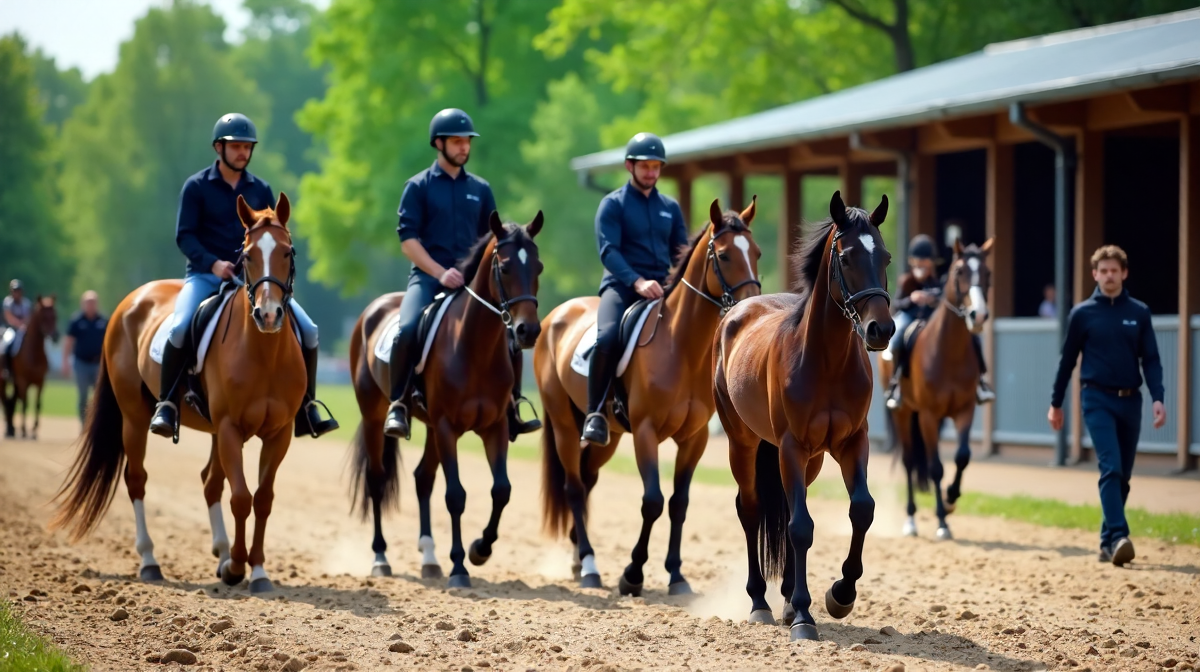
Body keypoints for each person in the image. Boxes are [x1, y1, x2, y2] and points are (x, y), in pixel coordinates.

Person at [149, 113, 338, 440]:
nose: (242, 153)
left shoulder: (260, 188)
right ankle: (167, 404)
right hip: (205, 277)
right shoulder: (196, 187)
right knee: (180, 327)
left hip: (254, 281)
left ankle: (307, 407)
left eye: (247, 147)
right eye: (235, 146)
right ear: (219, 148)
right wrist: (214, 264)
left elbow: (270, 237)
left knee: (309, 329)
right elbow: (185, 237)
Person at [382, 108, 541, 441]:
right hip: (428, 278)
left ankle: (512, 404)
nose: (464, 148)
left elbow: (493, 240)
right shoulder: (417, 187)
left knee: (509, 336)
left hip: (472, 286)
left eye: (467, 142)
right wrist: (441, 273)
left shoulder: (480, 189)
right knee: (407, 330)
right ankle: (398, 403)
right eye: (456, 142)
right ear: (438, 143)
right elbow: (408, 242)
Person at [1048, 245, 1165, 567]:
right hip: (1096, 399)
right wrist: (1056, 403)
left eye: (1115, 270)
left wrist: (1158, 397)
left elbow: (1152, 360)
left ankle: (1105, 542)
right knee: (1110, 467)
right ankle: (1119, 536)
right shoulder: (1083, 314)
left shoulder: (1139, 312)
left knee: (1123, 476)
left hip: (1132, 401)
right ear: (1095, 274)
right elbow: (1067, 361)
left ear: (1124, 273)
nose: (1110, 275)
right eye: (1104, 270)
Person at [578, 132, 688, 447]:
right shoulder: (612, 204)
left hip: (662, 288)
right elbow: (608, 251)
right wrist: (637, 281)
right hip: (622, 286)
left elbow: (681, 252)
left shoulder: (670, 207)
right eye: (645, 166)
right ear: (630, 166)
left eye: (656, 166)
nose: (651, 172)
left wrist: (675, 283)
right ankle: (595, 413)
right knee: (608, 336)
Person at [884, 234, 995, 410]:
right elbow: (897, 303)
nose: (922, 266)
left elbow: (945, 297)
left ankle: (981, 380)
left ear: (931, 263)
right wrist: (912, 299)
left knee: (973, 337)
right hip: (910, 317)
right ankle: (896, 383)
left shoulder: (939, 281)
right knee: (897, 338)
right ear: (913, 262)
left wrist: (931, 298)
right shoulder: (906, 281)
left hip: (931, 318)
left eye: (926, 261)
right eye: (919, 262)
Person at [63, 290, 107, 423]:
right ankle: (84, 426)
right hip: (81, 363)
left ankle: (98, 425)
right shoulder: (76, 321)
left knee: (100, 397)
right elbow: (69, 342)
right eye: (88, 302)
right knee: (83, 396)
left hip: (99, 364)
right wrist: (65, 361)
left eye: (93, 302)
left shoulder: (104, 321)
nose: (90, 305)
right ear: (83, 304)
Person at [2, 279, 32, 380]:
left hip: (23, 329)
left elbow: (28, 317)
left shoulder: (26, 303)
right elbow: (8, 317)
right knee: (7, 344)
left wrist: (24, 325)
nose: (16, 293)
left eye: (18, 291)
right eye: (14, 291)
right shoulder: (8, 302)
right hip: (10, 329)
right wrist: (19, 324)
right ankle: (6, 368)